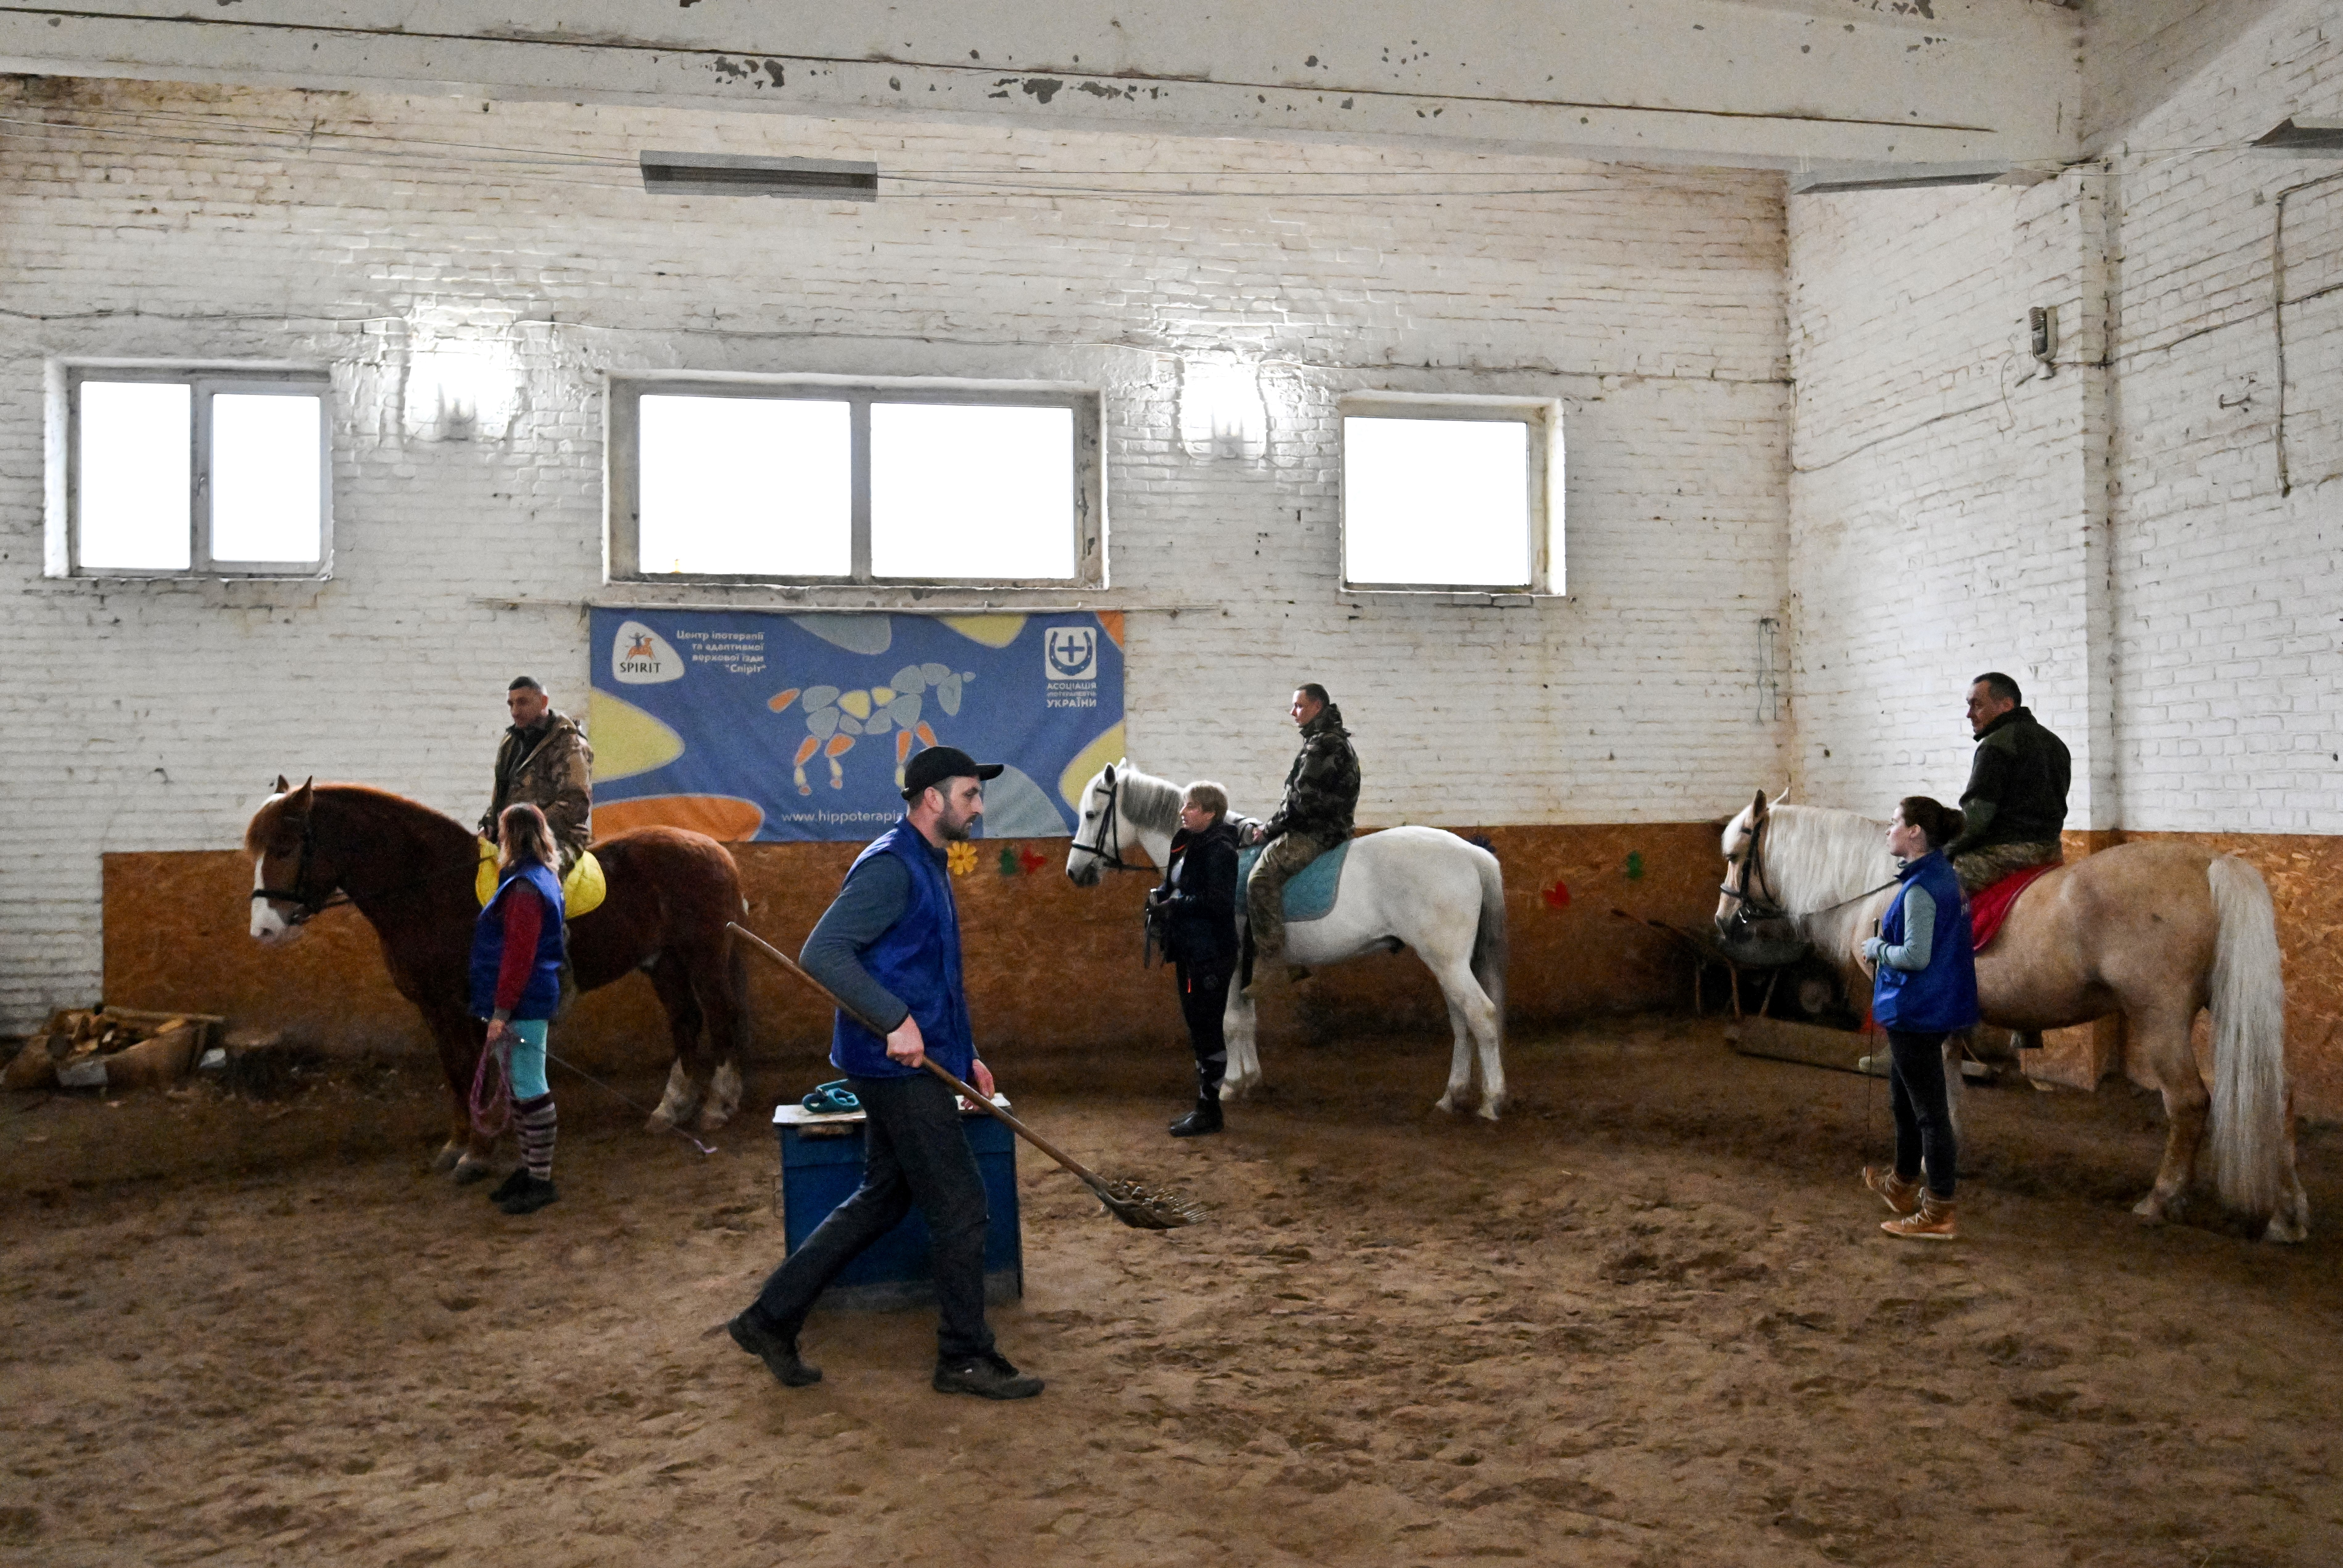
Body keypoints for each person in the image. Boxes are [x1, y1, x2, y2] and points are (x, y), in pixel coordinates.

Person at [728, 746, 1043, 1401]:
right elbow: (824, 953)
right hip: (893, 1068)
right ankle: (962, 1356)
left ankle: (768, 1318)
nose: (978, 809)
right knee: (961, 1207)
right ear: (932, 797)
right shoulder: (890, 867)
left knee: (884, 1198)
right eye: (969, 796)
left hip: (916, 1061)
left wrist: (966, 1051)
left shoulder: (927, 861)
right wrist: (893, 1019)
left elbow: (933, 974)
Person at [1859, 796, 1980, 1241]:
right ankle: (1902, 1182)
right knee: (1903, 1101)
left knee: (1929, 1114)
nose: (1888, 830)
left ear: (1915, 833)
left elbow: (1914, 955)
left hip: (1917, 1009)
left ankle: (1940, 1209)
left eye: (1894, 823)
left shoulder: (1922, 889)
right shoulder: (1939, 876)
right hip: (1927, 1007)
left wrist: (1877, 950)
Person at [471, 803, 567, 1216]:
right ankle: (530, 1170)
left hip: (523, 1001)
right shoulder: (529, 879)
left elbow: (518, 957)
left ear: (512, 836)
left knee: (530, 1087)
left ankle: (541, 1179)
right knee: (522, 1087)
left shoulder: (526, 889)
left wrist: (501, 1013)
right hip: (522, 999)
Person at [1242, 683, 1360, 989]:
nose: (1293, 712)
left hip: (1316, 833)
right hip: (1326, 828)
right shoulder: (1328, 741)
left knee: (1260, 880)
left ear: (1317, 707)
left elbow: (1300, 805)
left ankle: (1270, 959)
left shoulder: (1321, 745)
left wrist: (1267, 831)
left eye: (1299, 706)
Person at [1149, 781, 1240, 1138]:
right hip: (1189, 950)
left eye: (1190, 807)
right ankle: (1206, 1105)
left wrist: (1175, 906)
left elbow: (1218, 902)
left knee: (1207, 1029)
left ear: (1210, 812)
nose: (1183, 812)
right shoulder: (1184, 842)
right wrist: (1160, 896)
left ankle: (1210, 1108)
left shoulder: (1221, 850)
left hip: (1211, 953)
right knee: (1198, 1028)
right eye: (1185, 806)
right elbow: (1177, 884)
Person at [1944, 671, 2070, 895]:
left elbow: (1977, 818)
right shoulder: (2057, 744)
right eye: (1969, 706)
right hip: (2052, 851)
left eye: (1977, 705)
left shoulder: (1995, 745)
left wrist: (1943, 852)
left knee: (1934, 884)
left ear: (2006, 705)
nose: (1969, 714)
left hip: (2007, 855)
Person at [480, 676, 593, 874]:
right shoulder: (510, 741)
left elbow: (575, 803)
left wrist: (526, 830)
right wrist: (489, 825)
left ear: (544, 702)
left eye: (522, 702)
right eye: (511, 704)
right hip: (513, 838)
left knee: (530, 880)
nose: (515, 711)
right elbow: (500, 795)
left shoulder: (569, 743)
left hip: (560, 838)